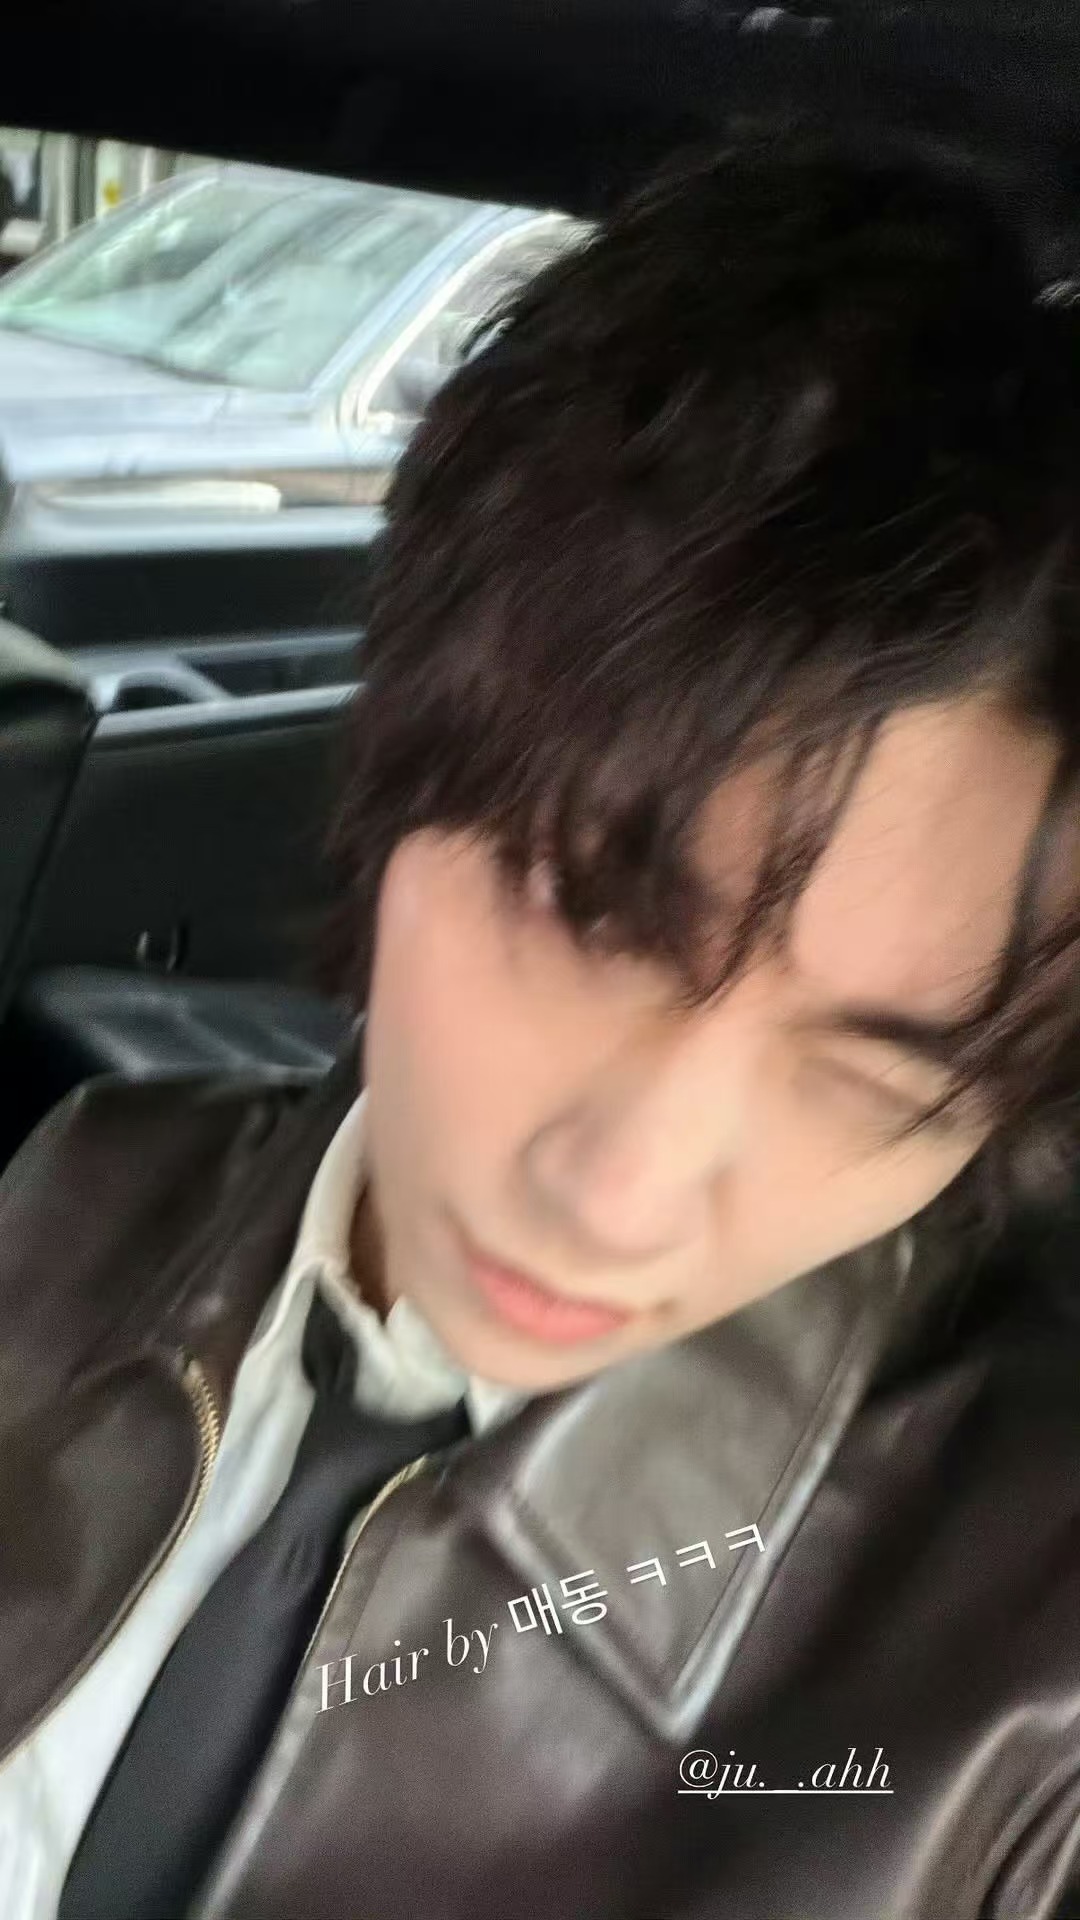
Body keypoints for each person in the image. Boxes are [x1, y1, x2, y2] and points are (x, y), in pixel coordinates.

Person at [1, 132, 1079, 1920]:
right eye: (589, 918)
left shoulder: (1027, 1685)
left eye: (888, 1074)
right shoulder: (86, 1188)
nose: (621, 1199)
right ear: (397, 760)